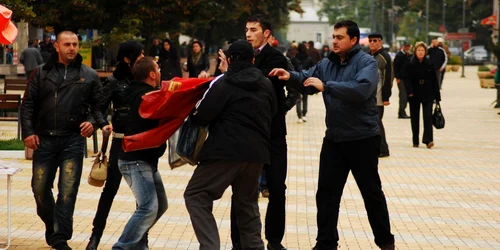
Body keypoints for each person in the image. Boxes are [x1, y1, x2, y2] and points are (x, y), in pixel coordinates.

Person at [269, 20, 396, 250]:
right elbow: (308, 79)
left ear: (354, 40)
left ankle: (385, 242)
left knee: (371, 192)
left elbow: (361, 90)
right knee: (326, 194)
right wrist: (290, 76)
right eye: (333, 37)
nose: (334, 41)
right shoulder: (327, 63)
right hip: (334, 139)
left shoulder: (366, 63)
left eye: (340, 37)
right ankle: (326, 243)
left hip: (362, 138)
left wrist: (326, 86)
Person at [21, 30, 111, 250]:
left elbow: (100, 105)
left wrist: (92, 121)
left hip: (73, 140)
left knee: (68, 190)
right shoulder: (40, 74)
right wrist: (28, 132)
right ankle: (55, 229)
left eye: (75, 44)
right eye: (67, 44)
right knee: (39, 189)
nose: (72, 48)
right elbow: (28, 105)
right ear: (57, 47)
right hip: (44, 140)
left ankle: (60, 237)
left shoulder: (88, 75)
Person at [184, 40, 276, 250]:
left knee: (195, 194)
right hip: (257, 154)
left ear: (230, 59)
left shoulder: (224, 83)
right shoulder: (266, 83)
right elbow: (273, 112)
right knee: (247, 205)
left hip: (224, 152)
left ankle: (210, 246)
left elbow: (201, 115)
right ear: (253, 60)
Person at [217, 14, 290, 250]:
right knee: (241, 190)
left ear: (266, 33)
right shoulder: (239, 56)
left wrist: (232, 71)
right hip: (247, 135)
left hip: (273, 133)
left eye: (254, 29)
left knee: (277, 187)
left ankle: (274, 241)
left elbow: (260, 86)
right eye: (246, 29)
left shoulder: (275, 58)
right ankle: (238, 242)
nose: (248, 34)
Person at [86, 41, 145, 250]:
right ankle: (95, 237)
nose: (143, 57)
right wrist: (103, 125)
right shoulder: (114, 81)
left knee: (144, 196)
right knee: (110, 190)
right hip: (120, 142)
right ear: (128, 59)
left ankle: (142, 240)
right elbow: (98, 108)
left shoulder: (145, 78)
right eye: (140, 54)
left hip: (141, 143)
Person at [112, 56, 168, 249]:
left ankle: (136, 246)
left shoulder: (140, 92)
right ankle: (121, 247)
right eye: (158, 68)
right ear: (152, 74)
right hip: (135, 160)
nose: (160, 71)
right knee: (148, 208)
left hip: (145, 160)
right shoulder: (147, 96)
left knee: (159, 206)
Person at [403, 42, 441, 149]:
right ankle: (415, 140)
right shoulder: (410, 63)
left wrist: (437, 96)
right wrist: (409, 91)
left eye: (422, 50)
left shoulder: (429, 63)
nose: (421, 52)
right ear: (415, 51)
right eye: (419, 50)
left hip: (427, 92)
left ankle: (428, 140)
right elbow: (406, 79)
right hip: (414, 93)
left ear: (425, 52)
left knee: (428, 117)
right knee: (415, 118)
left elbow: (435, 80)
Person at [368, 33, 392, 158]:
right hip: (369, 97)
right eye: (370, 40)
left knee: (377, 122)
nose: (372, 43)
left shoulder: (384, 57)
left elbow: (388, 79)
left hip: (379, 97)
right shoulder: (369, 56)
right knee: (371, 122)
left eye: (375, 40)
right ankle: (375, 148)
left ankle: (383, 149)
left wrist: (386, 97)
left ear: (380, 42)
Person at [291, 43, 314, 123]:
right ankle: (304, 115)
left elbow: (291, 70)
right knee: (305, 98)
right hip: (306, 80)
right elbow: (313, 70)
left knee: (298, 99)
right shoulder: (309, 59)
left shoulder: (294, 59)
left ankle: (299, 116)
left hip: (296, 80)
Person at [394, 42, 412, 119]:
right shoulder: (399, 55)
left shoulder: (410, 56)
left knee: (407, 96)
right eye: (406, 46)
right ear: (403, 47)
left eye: (409, 46)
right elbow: (395, 67)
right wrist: (397, 78)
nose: (407, 48)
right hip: (401, 79)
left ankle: (403, 110)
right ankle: (401, 112)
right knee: (403, 96)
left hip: (408, 79)